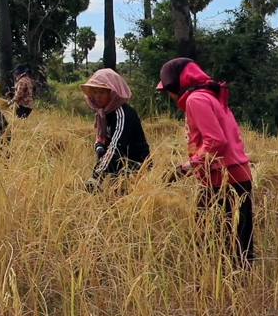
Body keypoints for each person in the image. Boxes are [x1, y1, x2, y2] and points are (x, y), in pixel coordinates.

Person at [157, 58, 254, 268]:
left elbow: (216, 141)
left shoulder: (196, 100)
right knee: (238, 246)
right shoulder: (212, 96)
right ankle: (236, 293)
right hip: (238, 178)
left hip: (222, 181)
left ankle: (220, 294)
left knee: (212, 246)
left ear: (176, 84)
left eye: (168, 90)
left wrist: (186, 168)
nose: (169, 96)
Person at [80, 69, 150, 192]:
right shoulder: (103, 113)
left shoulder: (122, 113)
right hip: (117, 165)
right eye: (95, 92)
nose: (97, 96)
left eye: (102, 92)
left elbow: (116, 146)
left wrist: (96, 176)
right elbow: (101, 137)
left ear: (112, 93)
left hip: (135, 166)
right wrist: (99, 147)